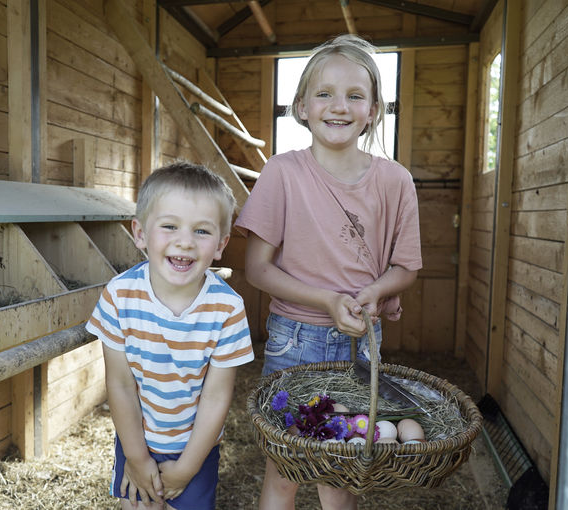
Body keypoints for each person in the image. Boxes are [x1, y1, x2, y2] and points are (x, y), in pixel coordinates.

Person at [234, 34, 422, 510]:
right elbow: (256, 268)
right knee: (285, 470)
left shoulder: (395, 180)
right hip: (293, 340)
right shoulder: (282, 172)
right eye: (324, 94)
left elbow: (406, 267)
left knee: (341, 477)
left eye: (355, 96)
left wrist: (375, 291)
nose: (339, 106)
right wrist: (326, 300)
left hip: (363, 341)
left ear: (374, 110)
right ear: (301, 106)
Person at [86, 161, 254, 510]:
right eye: (169, 226)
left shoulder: (227, 308)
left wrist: (187, 468)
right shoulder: (119, 296)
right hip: (136, 438)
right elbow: (119, 384)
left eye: (202, 232)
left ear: (221, 244)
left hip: (197, 445)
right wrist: (136, 457)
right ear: (141, 233)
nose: (185, 242)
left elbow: (216, 397)